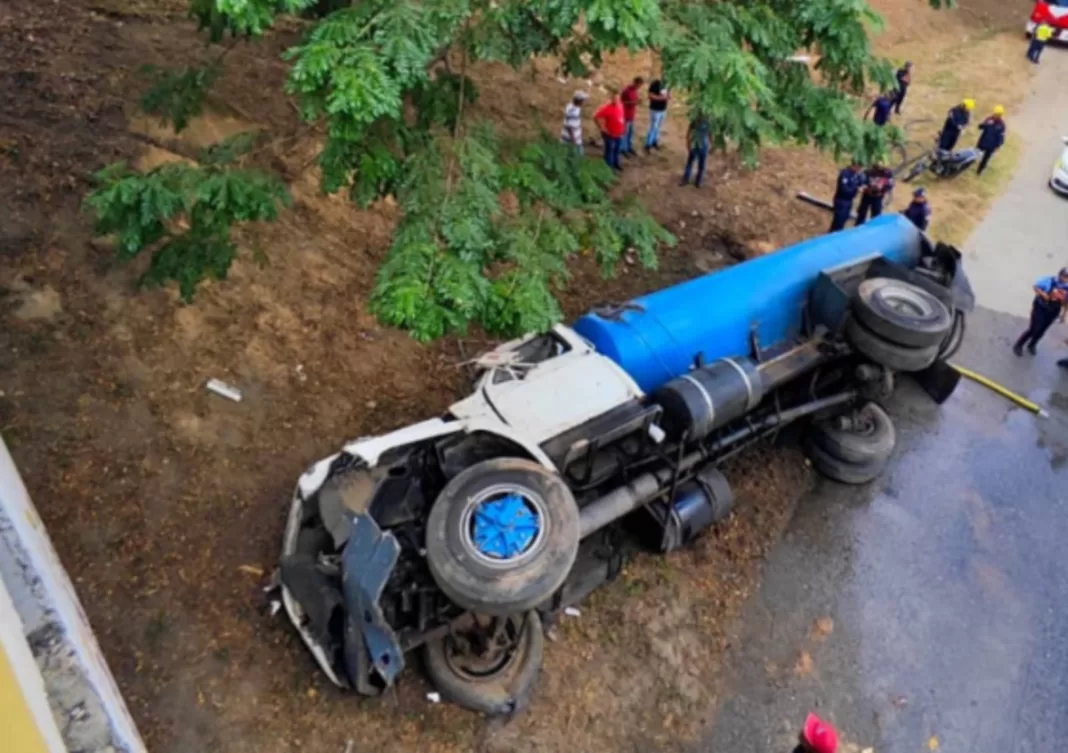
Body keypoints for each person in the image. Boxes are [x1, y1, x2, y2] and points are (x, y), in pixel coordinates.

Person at [1013, 268, 1068, 356]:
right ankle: (1018, 345)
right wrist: (1043, 294)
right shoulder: (1049, 280)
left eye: (1067, 277)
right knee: (1034, 328)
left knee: (1042, 330)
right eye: (1064, 276)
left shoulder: (1066, 287)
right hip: (1041, 307)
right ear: (1060, 274)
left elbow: (1065, 302)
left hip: (1054, 311)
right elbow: (1036, 287)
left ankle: (1032, 344)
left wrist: (1064, 314)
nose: (1065, 279)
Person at [828, 159, 866, 232]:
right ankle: (832, 235)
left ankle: (835, 234)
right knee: (838, 221)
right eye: (858, 167)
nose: (859, 170)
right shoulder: (845, 174)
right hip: (841, 200)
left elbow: (861, 182)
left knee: (844, 219)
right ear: (854, 165)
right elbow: (844, 190)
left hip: (849, 201)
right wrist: (857, 189)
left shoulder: (856, 175)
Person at [594, 92, 626, 171]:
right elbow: (596, 116)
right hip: (610, 134)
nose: (616, 100)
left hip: (619, 133)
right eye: (614, 98)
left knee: (617, 149)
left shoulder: (621, 106)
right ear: (611, 99)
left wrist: (623, 129)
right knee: (609, 150)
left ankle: (616, 163)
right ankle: (607, 167)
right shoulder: (607, 108)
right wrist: (602, 127)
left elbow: (621, 118)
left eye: (617, 98)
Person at [679, 114, 712, 188]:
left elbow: (710, 135)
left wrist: (710, 145)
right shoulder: (696, 121)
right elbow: (689, 132)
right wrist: (688, 142)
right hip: (696, 144)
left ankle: (697, 181)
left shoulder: (708, 123)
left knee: (700, 164)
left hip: (702, 145)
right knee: (692, 163)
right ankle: (688, 179)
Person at [976, 105, 1006, 176]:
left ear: (1000, 115)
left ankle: (979, 171)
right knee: (976, 154)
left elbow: (1001, 137)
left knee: (985, 159)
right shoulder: (989, 119)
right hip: (983, 142)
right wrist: (986, 124)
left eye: (998, 114)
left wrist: (998, 146)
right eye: (995, 113)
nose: (995, 115)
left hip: (991, 146)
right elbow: (980, 127)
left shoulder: (1002, 125)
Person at [644, 79, 670, 153]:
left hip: (663, 110)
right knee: (653, 126)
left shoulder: (667, 84)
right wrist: (662, 98)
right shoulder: (655, 84)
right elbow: (650, 96)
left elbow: (668, 95)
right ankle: (648, 144)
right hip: (655, 110)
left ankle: (654, 141)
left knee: (658, 127)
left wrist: (667, 97)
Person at [620, 76, 644, 157]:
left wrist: (636, 102)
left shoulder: (635, 91)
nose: (639, 87)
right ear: (635, 82)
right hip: (625, 114)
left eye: (640, 85)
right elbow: (621, 102)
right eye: (638, 85)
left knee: (630, 132)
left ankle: (629, 147)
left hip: (631, 115)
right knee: (625, 133)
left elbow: (634, 101)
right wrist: (633, 103)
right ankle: (623, 149)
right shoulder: (626, 91)